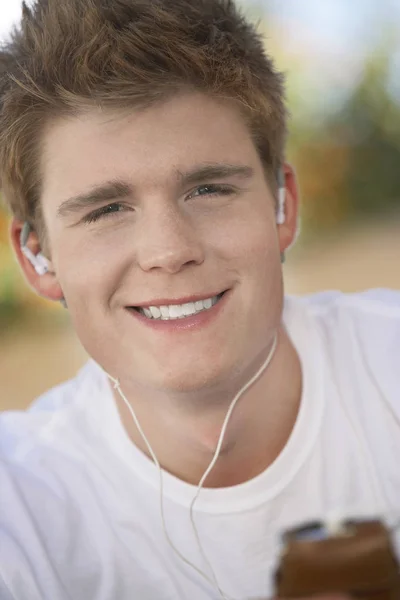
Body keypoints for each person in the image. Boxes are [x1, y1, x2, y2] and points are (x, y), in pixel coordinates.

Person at [0, 0, 399, 598]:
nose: (168, 250)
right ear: (37, 258)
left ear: (282, 205)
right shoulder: (21, 504)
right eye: (106, 210)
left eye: (208, 188)